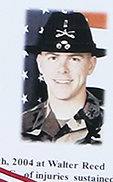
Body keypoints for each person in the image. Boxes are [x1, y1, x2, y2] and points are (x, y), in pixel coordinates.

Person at [21, 12, 106, 144]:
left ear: (91, 65)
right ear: (40, 63)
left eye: (74, 59)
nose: (62, 69)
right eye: (53, 58)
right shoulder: (21, 126)